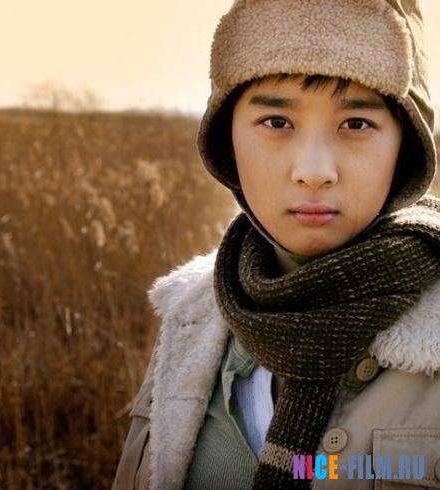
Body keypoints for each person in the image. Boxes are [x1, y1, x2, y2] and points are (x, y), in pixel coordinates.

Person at [113, 1, 440, 488]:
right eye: (276, 122)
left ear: (405, 147)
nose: (313, 171)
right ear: (227, 140)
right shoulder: (191, 317)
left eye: (356, 124)